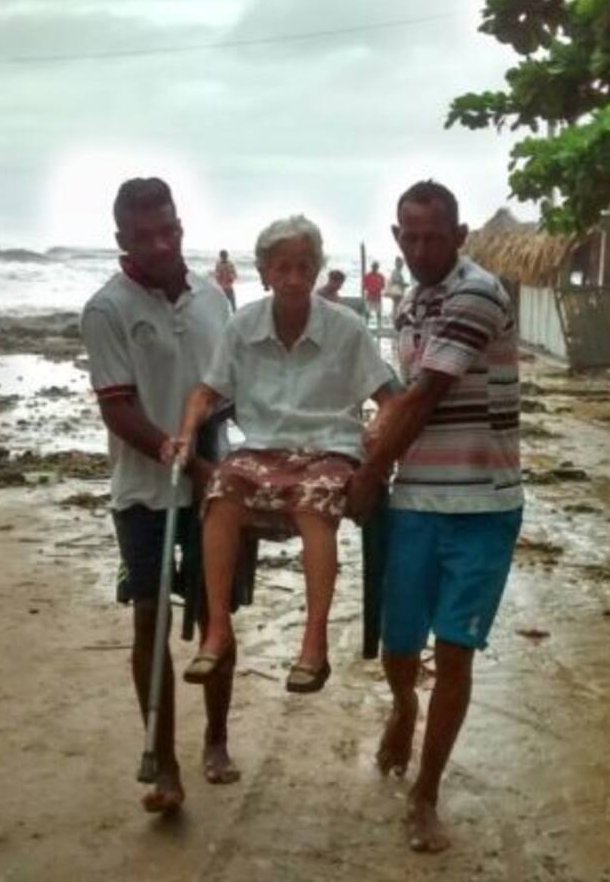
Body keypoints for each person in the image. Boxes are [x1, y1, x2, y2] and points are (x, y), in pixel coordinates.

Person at [347, 180, 523, 854]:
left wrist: (368, 472)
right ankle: (402, 706)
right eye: (409, 236)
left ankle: (426, 794)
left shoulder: (477, 291)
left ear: (460, 235)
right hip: (415, 500)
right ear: (396, 238)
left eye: (433, 236)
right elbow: (398, 401)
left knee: (454, 650)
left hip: (483, 504)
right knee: (398, 645)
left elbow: (424, 396)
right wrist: (364, 449)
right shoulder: (410, 300)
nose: (421, 248)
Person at [164, 215, 396, 694]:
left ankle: (314, 645)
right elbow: (205, 392)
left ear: (316, 271)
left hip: (329, 448)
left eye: (304, 267)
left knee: (314, 500)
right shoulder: (242, 324)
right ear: (265, 272)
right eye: (282, 267)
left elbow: (390, 400)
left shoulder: (346, 327)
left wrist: (375, 433)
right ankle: (218, 634)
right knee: (222, 488)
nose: (294, 278)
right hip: (262, 450)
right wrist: (186, 434)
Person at [79, 177, 239, 816]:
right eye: (144, 235)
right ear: (122, 240)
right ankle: (164, 762)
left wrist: (217, 464)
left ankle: (217, 740)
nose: (160, 243)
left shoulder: (214, 299)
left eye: (168, 229)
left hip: (213, 488)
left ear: (181, 226)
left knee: (216, 618)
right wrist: (180, 460)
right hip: (143, 493)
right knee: (152, 620)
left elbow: (229, 388)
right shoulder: (106, 309)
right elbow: (118, 410)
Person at [362, 260, 386, 324]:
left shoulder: (381, 276)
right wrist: (371, 289)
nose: (374, 268)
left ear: (378, 268)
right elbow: (364, 286)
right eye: (373, 267)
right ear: (371, 267)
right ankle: (366, 324)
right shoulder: (367, 276)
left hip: (378, 297)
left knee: (379, 312)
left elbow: (383, 286)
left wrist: (377, 288)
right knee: (367, 312)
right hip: (369, 296)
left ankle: (379, 324)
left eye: (376, 267)